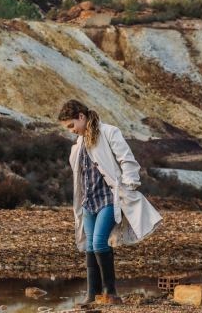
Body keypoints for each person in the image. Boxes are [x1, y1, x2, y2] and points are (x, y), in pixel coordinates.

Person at [57, 99, 163, 306]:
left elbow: (127, 159)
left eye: (72, 125)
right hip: (88, 201)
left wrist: (130, 184)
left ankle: (110, 292)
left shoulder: (109, 132)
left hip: (108, 198)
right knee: (89, 245)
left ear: (81, 117)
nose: (71, 130)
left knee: (98, 242)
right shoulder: (79, 144)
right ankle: (92, 295)